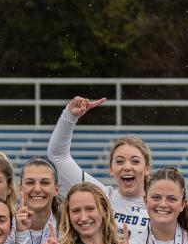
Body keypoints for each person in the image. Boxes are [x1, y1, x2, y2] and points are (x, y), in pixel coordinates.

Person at [49, 96, 151, 230]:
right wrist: (69, 116)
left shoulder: (161, 206)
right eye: (119, 161)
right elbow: (58, 156)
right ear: (111, 169)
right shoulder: (101, 196)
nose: (126, 167)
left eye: (135, 161)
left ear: (146, 168)